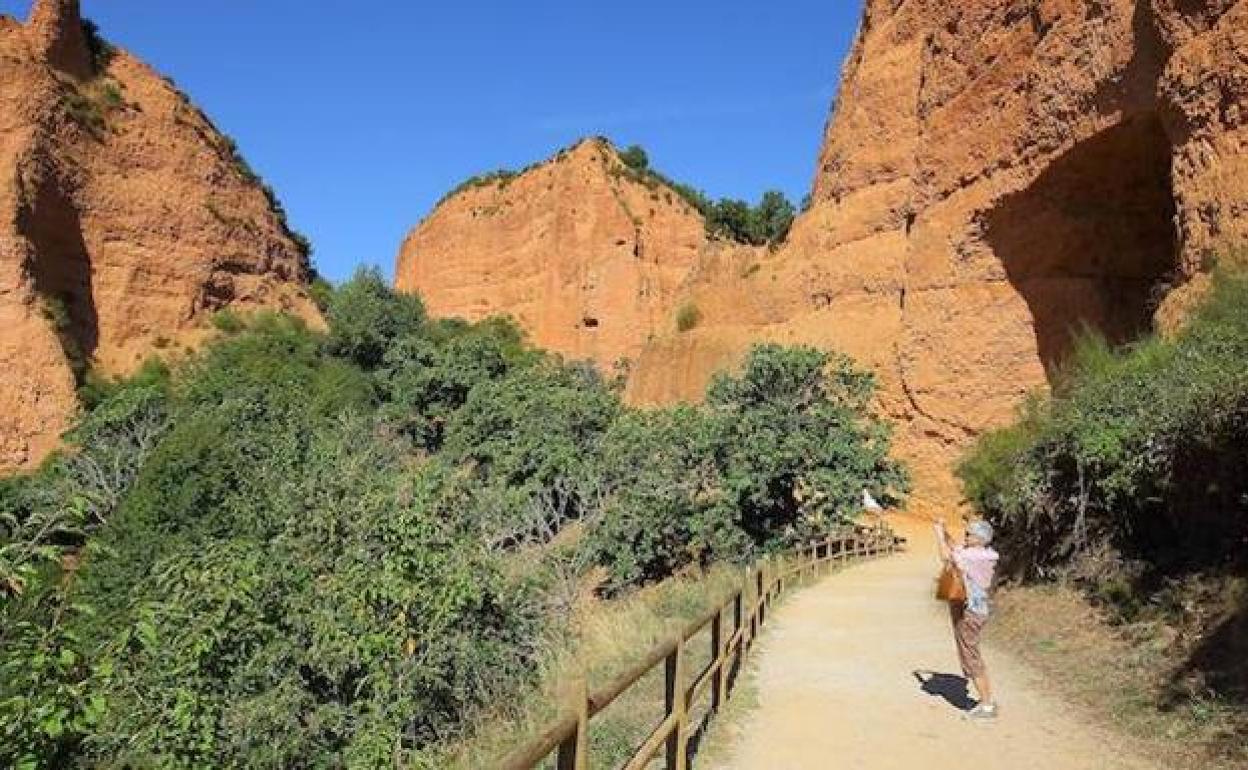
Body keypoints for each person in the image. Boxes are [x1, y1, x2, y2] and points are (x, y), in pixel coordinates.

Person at [934, 517, 1000, 721]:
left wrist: (938, 534)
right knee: (971, 653)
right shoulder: (984, 554)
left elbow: (947, 556)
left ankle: (987, 704)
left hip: (969, 612)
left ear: (980, 539)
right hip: (975, 610)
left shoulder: (974, 557)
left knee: (970, 655)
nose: (966, 536)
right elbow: (956, 548)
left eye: (969, 534)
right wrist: (945, 531)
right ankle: (986, 701)